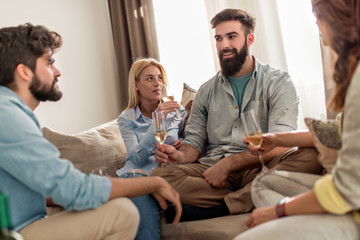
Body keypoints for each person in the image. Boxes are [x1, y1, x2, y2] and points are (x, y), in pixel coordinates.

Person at [0, 23, 182, 240]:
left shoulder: (11, 111)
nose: (57, 71)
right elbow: (73, 188)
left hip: (24, 223)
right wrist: (153, 182)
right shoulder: (7, 113)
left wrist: (102, 189)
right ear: (24, 72)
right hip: (15, 232)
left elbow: (48, 187)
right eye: (49, 62)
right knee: (122, 213)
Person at [152, 8, 323, 221]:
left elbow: (281, 142)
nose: (224, 45)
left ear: (249, 39)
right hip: (212, 172)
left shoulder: (279, 82)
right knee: (160, 176)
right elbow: (194, 143)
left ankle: (225, 206)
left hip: (260, 167)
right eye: (219, 38)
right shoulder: (206, 90)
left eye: (232, 37)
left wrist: (230, 163)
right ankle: (252, 197)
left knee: (312, 154)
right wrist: (180, 156)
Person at [234, 0, 360, 239]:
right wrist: (276, 138)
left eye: (318, 14)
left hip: (352, 202)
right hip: (349, 194)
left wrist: (278, 211)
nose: (316, 23)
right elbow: (341, 131)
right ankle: (312, 212)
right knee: (265, 182)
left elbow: (349, 188)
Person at [116, 58, 186, 240]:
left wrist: (181, 144)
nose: (157, 83)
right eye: (149, 78)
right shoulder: (126, 119)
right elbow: (136, 158)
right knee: (138, 183)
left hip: (167, 171)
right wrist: (157, 121)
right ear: (136, 85)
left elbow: (188, 141)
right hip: (139, 172)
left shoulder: (177, 112)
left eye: (159, 78)